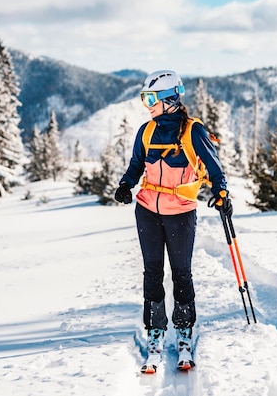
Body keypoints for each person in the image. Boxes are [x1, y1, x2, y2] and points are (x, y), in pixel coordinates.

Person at [114, 70, 232, 372]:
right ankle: (155, 333)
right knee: (152, 273)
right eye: (144, 98)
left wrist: (221, 192)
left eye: (150, 98)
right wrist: (126, 185)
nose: (146, 104)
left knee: (182, 274)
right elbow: (137, 164)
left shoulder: (192, 131)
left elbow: (213, 165)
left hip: (180, 213)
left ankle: (183, 333)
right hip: (147, 212)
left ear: (169, 99)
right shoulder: (146, 131)